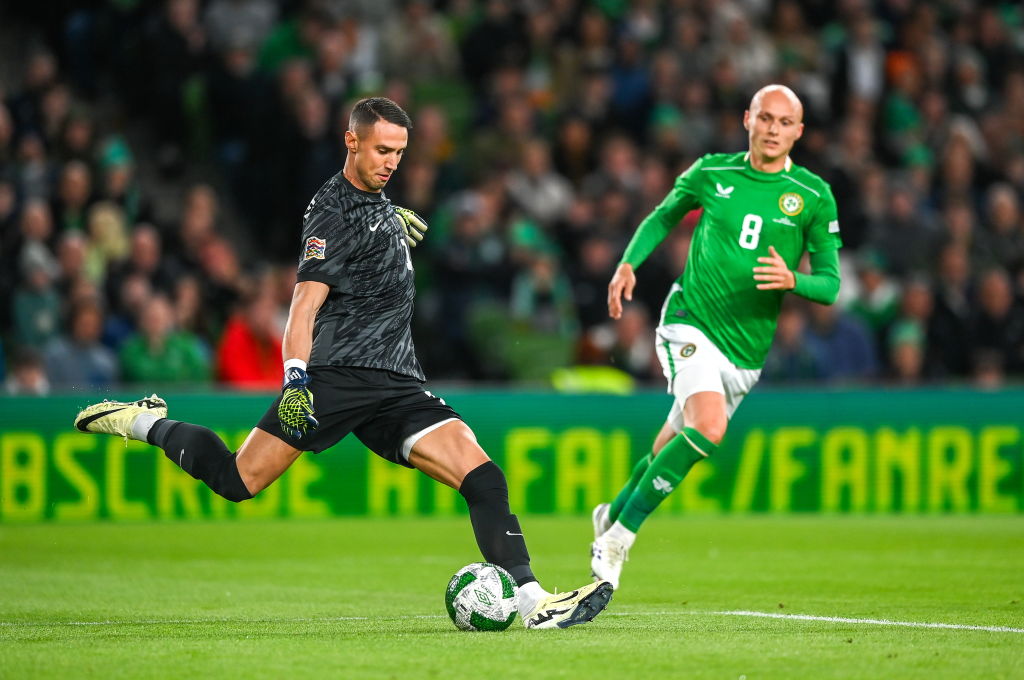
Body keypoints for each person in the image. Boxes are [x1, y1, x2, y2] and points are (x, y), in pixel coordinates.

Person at [75, 97, 612, 629]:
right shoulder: (331, 214)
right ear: (350, 141)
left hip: (399, 381)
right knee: (239, 480)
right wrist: (294, 379)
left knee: (484, 477)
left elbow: (369, 223)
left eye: (400, 153)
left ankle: (533, 602)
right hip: (340, 375)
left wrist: (382, 219)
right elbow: (303, 304)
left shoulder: (374, 204)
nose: (391, 162)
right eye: (382, 150)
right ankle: (144, 421)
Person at [591, 85, 842, 590]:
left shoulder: (814, 196)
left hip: (746, 350)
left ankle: (610, 514)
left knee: (669, 443)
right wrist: (627, 264)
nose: (773, 129)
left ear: (799, 131)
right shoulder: (711, 172)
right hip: (690, 319)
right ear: (746, 118)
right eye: (765, 118)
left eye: (784, 122)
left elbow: (831, 284)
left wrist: (795, 280)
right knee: (708, 428)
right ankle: (619, 537)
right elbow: (664, 215)